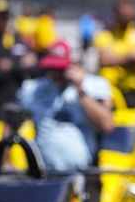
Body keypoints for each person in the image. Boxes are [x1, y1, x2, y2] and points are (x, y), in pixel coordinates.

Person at [17, 40, 114, 171]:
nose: (56, 74)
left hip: (83, 172)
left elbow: (107, 124)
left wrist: (81, 90)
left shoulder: (94, 85)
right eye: (52, 68)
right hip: (46, 172)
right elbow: (13, 121)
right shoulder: (33, 89)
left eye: (61, 69)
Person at [0, 0, 38, 129]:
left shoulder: (18, 40)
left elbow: (35, 69)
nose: (2, 20)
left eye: (5, 16)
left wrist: (9, 65)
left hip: (20, 102)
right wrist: (20, 63)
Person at [94, 0, 135, 108]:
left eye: (129, 12)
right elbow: (103, 60)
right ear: (115, 12)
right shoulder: (105, 34)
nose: (125, 15)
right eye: (122, 12)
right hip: (111, 94)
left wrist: (115, 59)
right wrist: (130, 59)